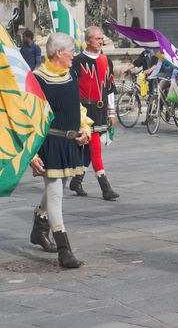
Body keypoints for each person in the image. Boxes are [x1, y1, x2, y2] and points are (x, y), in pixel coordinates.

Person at [29, 32, 92, 268]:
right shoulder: (37, 79)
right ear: (58, 53)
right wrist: (31, 155)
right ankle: (64, 250)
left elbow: (75, 106)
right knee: (56, 193)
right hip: (49, 144)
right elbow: (29, 117)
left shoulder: (71, 73)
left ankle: (39, 228)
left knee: (57, 186)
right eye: (71, 51)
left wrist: (84, 128)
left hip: (70, 142)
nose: (74, 55)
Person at [70, 26, 119, 200]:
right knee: (95, 147)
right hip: (84, 110)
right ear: (88, 40)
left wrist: (112, 113)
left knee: (89, 149)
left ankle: (77, 179)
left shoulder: (107, 60)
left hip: (101, 109)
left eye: (101, 38)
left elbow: (110, 88)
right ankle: (105, 187)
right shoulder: (77, 61)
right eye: (97, 38)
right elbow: (71, 88)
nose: (100, 41)